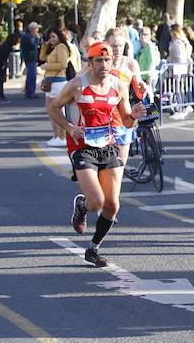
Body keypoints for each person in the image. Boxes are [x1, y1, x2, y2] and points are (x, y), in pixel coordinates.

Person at [49, 41, 147, 267]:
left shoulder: (119, 86)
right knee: (96, 203)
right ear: (90, 63)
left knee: (112, 204)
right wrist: (70, 128)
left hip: (108, 146)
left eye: (107, 60)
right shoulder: (77, 85)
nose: (103, 64)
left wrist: (133, 114)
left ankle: (93, 248)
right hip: (82, 148)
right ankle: (82, 206)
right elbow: (53, 107)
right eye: (98, 61)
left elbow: (125, 121)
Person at [104, 27, 146, 165]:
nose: (117, 49)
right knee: (104, 165)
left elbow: (139, 90)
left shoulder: (130, 63)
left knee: (120, 164)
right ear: (106, 45)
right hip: (102, 119)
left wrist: (143, 88)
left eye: (120, 45)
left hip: (123, 118)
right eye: (113, 45)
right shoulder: (99, 63)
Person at [40, 27, 74, 147]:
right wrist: (45, 45)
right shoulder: (53, 48)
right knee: (50, 110)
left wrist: (47, 66)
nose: (51, 39)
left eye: (53, 37)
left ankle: (62, 136)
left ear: (59, 36)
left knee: (56, 110)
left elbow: (63, 64)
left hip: (59, 81)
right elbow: (42, 57)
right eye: (49, 37)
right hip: (50, 82)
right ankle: (56, 136)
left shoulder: (61, 47)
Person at [0, 33, 21, 104]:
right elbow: (0, 55)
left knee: (1, 81)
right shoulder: (6, 46)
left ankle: (1, 96)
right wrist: (3, 63)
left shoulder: (6, 45)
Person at [21, 21, 41, 99]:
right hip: (30, 58)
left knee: (31, 74)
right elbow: (33, 46)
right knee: (32, 75)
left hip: (32, 58)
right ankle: (30, 92)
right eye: (37, 28)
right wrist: (37, 38)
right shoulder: (29, 37)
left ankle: (29, 91)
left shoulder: (29, 36)